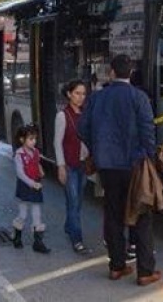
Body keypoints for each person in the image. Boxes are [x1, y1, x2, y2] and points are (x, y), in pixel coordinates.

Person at [78, 54, 162, 286]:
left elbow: (82, 127)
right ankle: (145, 271)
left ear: (112, 73)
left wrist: (97, 147)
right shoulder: (139, 97)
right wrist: (150, 157)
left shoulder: (97, 98)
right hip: (134, 165)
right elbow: (148, 132)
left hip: (107, 166)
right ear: (131, 72)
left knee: (113, 215)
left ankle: (116, 266)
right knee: (142, 216)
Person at [54, 80, 92, 255]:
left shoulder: (86, 114)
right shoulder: (63, 116)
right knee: (73, 200)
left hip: (83, 164)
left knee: (77, 202)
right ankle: (77, 240)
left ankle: (69, 226)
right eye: (77, 93)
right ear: (69, 94)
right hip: (69, 165)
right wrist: (61, 166)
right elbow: (57, 142)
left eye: (83, 94)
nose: (81, 97)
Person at [11, 124, 51, 254]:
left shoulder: (35, 152)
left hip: (36, 185)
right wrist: (32, 183)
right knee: (23, 214)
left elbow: (37, 163)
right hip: (26, 186)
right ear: (22, 140)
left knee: (37, 214)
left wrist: (40, 171)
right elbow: (20, 173)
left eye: (35, 138)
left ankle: (37, 242)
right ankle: (17, 236)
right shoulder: (19, 154)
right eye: (31, 139)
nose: (34, 141)